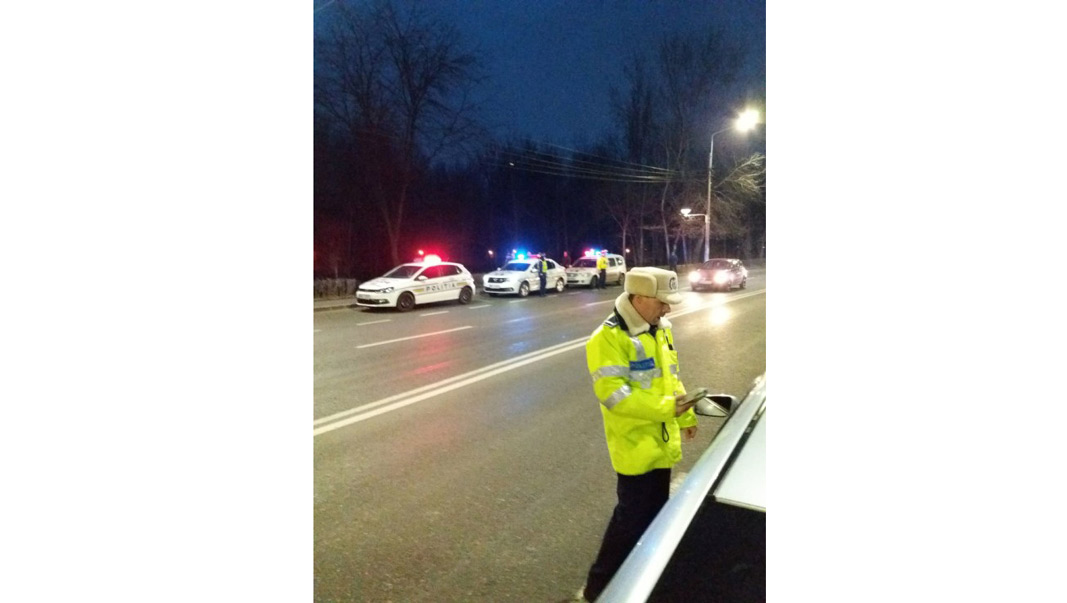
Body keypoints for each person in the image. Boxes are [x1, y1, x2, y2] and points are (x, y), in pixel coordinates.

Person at [582, 267, 698, 602]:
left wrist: (686, 414)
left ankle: (643, 581)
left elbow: (672, 378)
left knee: (655, 518)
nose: (668, 309)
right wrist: (668, 409)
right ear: (640, 298)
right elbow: (615, 396)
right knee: (629, 522)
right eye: (662, 302)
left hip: (661, 442)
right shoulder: (607, 338)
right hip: (634, 447)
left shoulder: (660, 330)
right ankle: (598, 589)